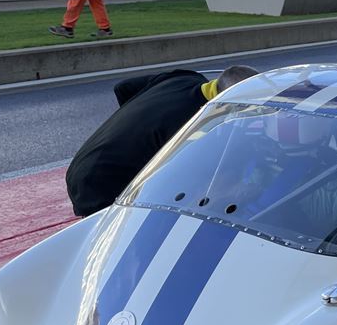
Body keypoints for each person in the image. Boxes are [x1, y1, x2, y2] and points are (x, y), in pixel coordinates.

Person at [65, 65, 258, 216]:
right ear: (229, 100)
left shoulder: (183, 77)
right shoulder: (192, 123)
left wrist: (135, 126)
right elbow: (188, 178)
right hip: (99, 183)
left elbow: (122, 88)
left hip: (81, 164)